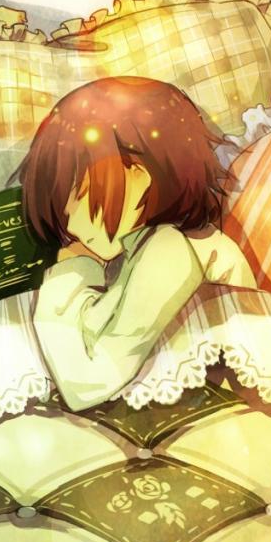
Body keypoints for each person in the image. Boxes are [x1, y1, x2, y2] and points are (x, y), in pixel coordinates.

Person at [23, 76, 255, 411]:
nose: (70, 223)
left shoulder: (172, 249)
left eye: (81, 194)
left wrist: (72, 269)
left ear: (140, 175)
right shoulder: (145, 247)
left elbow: (84, 384)